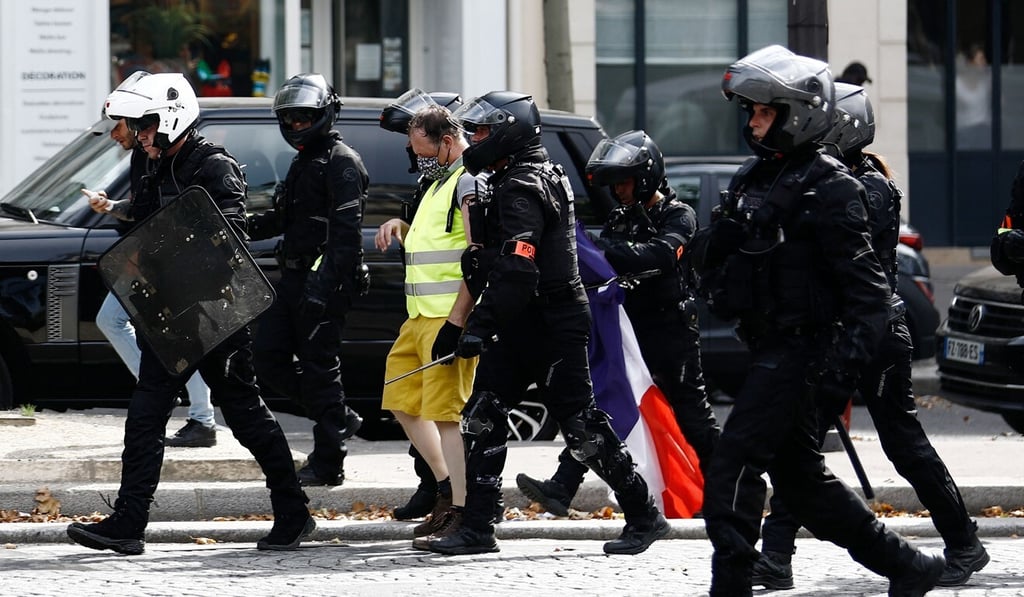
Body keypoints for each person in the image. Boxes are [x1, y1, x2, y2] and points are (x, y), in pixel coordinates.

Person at [689, 45, 944, 595]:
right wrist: (719, 240)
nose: (753, 123)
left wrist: (834, 376)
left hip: (803, 355)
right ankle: (909, 566)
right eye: (751, 113)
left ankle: (728, 584)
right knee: (803, 485)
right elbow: (708, 261)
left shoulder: (832, 187)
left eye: (764, 112)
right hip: (767, 346)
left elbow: (870, 300)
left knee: (731, 465)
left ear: (798, 112)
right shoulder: (754, 178)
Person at [752, 83, 989, 590]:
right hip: (835, 335)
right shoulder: (823, 178)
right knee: (801, 445)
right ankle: (775, 557)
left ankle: (964, 543)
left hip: (876, 336)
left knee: (902, 445)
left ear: (843, 130)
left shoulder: (867, 188)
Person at [68, 72, 314, 554]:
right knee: (145, 414)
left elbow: (231, 243)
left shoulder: (214, 166)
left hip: (218, 314)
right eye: (137, 128)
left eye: (145, 127)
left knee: (246, 416)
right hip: (171, 311)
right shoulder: (153, 163)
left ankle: (293, 511)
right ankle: (128, 523)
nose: (139, 137)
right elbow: (143, 223)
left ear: (169, 120)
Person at [420, 90, 669, 556]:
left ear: (508, 133)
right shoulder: (518, 175)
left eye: (482, 131)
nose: (474, 138)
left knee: (582, 428)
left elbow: (519, 266)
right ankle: (478, 526)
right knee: (482, 417)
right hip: (525, 319)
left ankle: (644, 514)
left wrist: (477, 325)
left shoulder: (523, 183)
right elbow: (499, 261)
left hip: (550, 322)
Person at [515, 130, 719, 516]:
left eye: (623, 183)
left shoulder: (679, 215)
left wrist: (604, 250)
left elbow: (658, 255)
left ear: (645, 176)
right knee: (601, 406)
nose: (619, 192)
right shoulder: (619, 219)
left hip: (669, 333)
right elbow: (598, 264)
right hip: (626, 330)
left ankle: (729, 492)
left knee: (693, 415)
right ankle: (562, 486)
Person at [248, 73, 368, 487]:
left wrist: (325, 285)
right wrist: (236, 225)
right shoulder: (303, 162)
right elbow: (281, 218)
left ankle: (328, 460)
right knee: (266, 358)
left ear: (325, 114)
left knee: (320, 368)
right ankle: (337, 416)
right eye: (290, 119)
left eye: (305, 117)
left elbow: (346, 236)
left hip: (325, 280)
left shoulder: (342, 162)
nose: (297, 125)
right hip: (292, 276)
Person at [374, 93, 484, 544]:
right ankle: (445, 486)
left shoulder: (466, 183)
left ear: (449, 141)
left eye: (425, 153)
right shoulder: (438, 184)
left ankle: (459, 507)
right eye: (415, 154)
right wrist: (402, 228)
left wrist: (460, 321)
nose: (420, 162)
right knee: (399, 399)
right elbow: (435, 241)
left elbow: (477, 255)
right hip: (418, 317)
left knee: (445, 416)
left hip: (445, 319)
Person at [89, 72, 218, 449]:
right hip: (148, 257)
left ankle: (198, 415)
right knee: (127, 325)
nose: (116, 135)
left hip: (165, 260)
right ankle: (189, 408)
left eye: (120, 127)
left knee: (173, 340)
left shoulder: (160, 154)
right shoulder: (142, 157)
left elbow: (167, 210)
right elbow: (144, 208)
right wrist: (111, 207)